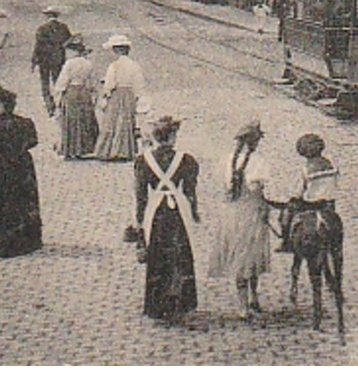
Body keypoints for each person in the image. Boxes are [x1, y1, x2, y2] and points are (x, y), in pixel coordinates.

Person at [135, 115, 200, 322]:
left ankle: (157, 304)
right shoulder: (186, 160)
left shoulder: (143, 161)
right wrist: (194, 212)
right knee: (179, 254)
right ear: (171, 136)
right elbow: (190, 191)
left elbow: (140, 196)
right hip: (177, 210)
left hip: (155, 211)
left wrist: (139, 223)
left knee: (157, 255)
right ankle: (180, 301)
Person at [208, 120, 274, 318]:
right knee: (251, 256)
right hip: (251, 210)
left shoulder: (228, 160)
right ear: (253, 142)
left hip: (231, 212)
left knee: (239, 254)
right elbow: (257, 190)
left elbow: (225, 186)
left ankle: (246, 302)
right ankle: (249, 300)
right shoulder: (258, 162)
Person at [0, 83, 43, 258]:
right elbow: (33, 141)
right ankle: (24, 237)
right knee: (21, 199)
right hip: (21, 167)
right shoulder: (26, 123)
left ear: (2, 106)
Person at [278, 132, 340, 253]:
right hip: (330, 204)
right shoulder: (331, 165)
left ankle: (286, 243)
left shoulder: (306, 169)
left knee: (286, 214)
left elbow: (299, 191)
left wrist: (292, 197)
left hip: (312, 204)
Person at [95, 34, 146, 160]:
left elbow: (110, 84)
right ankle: (125, 150)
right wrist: (137, 96)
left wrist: (105, 93)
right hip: (129, 94)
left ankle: (112, 150)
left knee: (112, 121)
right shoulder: (134, 65)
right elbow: (139, 83)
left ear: (116, 50)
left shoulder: (114, 65)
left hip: (117, 95)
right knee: (126, 121)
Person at [52, 39, 100, 159]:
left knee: (71, 120)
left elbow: (62, 81)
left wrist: (58, 96)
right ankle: (83, 149)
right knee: (84, 119)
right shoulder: (88, 64)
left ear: (74, 51)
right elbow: (93, 82)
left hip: (72, 91)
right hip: (83, 92)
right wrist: (93, 95)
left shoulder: (69, 64)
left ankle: (70, 149)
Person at [31, 7, 71, 116]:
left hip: (44, 60)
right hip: (58, 59)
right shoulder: (63, 27)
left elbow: (38, 46)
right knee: (58, 81)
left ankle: (49, 105)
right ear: (57, 16)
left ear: (47, 16)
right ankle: (60, 103)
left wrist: (33, 61)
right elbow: (68, 41)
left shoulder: (42, 28)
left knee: (45, 83)